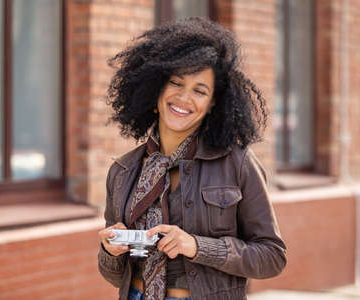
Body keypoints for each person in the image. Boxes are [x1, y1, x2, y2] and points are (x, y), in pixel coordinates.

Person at [98, 17, 286, 300]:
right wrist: (110, 251)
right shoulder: (123, 170)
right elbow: (114, 276)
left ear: (213, 104)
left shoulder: (237, 163)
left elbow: (272, 256)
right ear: (156, 88)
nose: (184, 98)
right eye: (176, 83)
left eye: (200, 90)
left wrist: (197, 246)